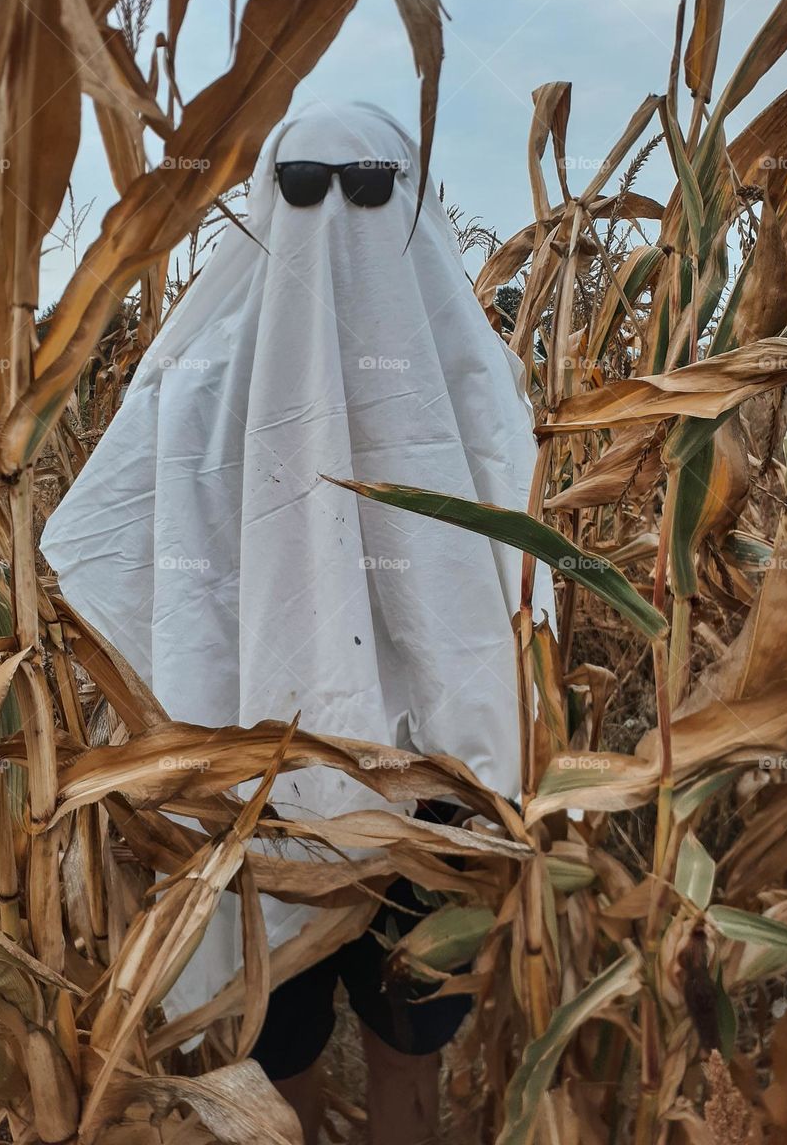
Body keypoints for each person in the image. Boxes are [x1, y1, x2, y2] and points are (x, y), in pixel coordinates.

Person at [41, 102, 555, 1143]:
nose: (335, 219)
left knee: (402, 1040)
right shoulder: (211, 386)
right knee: (283, 1051)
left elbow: (520, 583)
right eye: (305, 188)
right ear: (267, 205)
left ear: (405, 199)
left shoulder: (464, 383)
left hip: (418, 794)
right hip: (259, 793)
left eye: (363, 190)